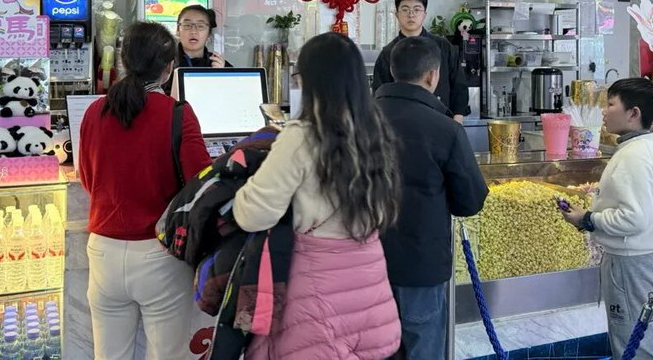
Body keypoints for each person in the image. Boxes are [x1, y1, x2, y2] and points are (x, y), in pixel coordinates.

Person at [233, 32, 402, 360]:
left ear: (310, 81)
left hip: (317, 295)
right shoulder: (377, 130)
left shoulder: (301, 136)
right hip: (371, 291)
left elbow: (254, 214)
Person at [79, 21, 212, 360]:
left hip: (103, 251)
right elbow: (200, 183)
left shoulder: (95, 111)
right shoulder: (177, 113)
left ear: (123, 61)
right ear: (169, 67)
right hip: (160, 254)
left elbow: (87, 179)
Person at [375, 37, 487, 360]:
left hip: (362, 267)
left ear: (392, 71)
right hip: (420, 268)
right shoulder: (445, 129)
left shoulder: (356, 122)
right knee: (423, 348)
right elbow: (470, 201)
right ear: (432, 76)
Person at [561, 78, 653, 360]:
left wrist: (588, 218)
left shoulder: (634, 156)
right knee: (645, 337)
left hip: (632, 262)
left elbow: (634, 218)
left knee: (633, 340)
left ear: (633, 113)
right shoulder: (642, 148)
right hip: (645, 258)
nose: (604, 111)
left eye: (611, 104)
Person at [371, 0, 469, 123]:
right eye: (405, 10)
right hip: (401, 123)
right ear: (396, 15)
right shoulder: (388, 52)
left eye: (416, 9)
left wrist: (457, 120)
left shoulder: (443, 47)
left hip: (441, 121)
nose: (411, 14)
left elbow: (459, 85)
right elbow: (379, 93)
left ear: (424, 14)